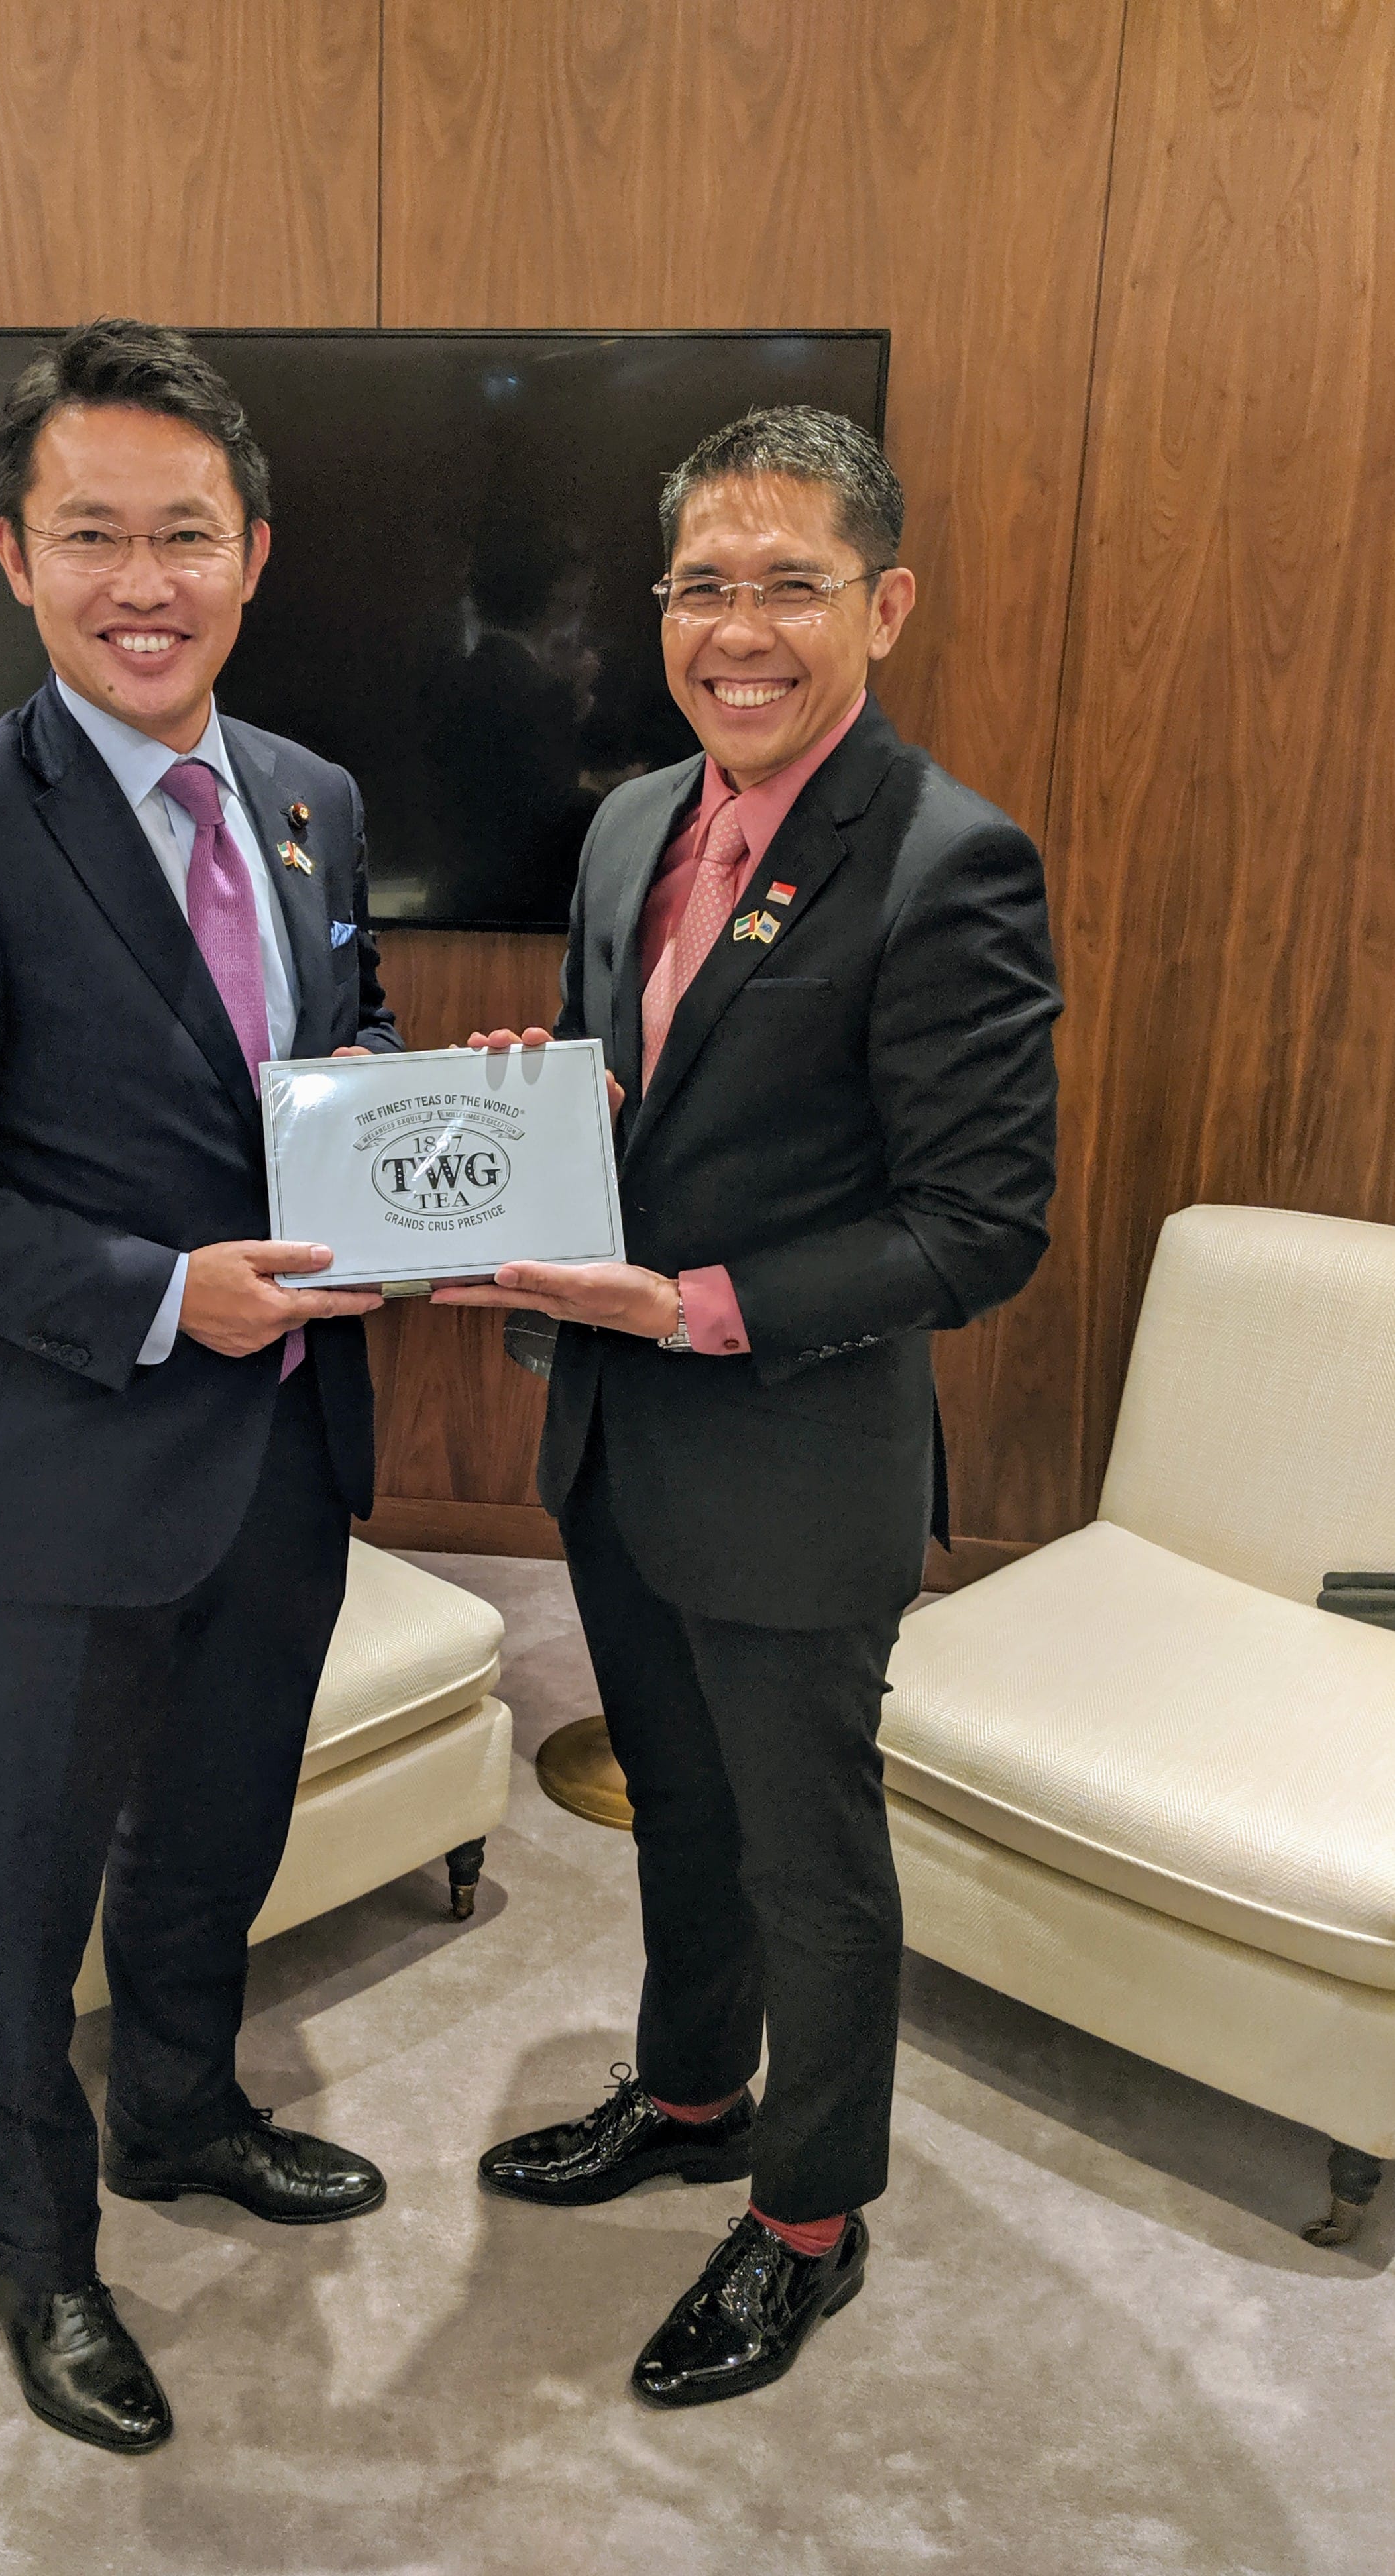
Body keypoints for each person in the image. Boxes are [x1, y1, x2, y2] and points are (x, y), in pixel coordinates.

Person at [0, 319, 401, 2453]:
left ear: (252, 553)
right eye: (91, 536)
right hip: (57, 1471)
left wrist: (435, 1124)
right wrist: (160, 1297)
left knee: (217, 1832)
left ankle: (180, 2113)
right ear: (16, 556)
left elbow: (324, 1061)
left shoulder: (313, 798)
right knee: (18, 1895)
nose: (142, 583)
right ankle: (36, 2260)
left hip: (283, 1453)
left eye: (183, 535)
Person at [436, 405, 1060, 2408]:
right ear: (659, 609)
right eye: (703, 584)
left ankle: (809, 2219)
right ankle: (694, 2095)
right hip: (615, 1438)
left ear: (883, 603)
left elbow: (976, 1226)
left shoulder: (950, 860)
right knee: (680, 1806)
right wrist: (547, 1110)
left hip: (792, 1458)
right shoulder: (631, 821)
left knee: (809, 1856)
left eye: (790, 582)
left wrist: (692, 1304)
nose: (739, 628)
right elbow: (638, 1078)